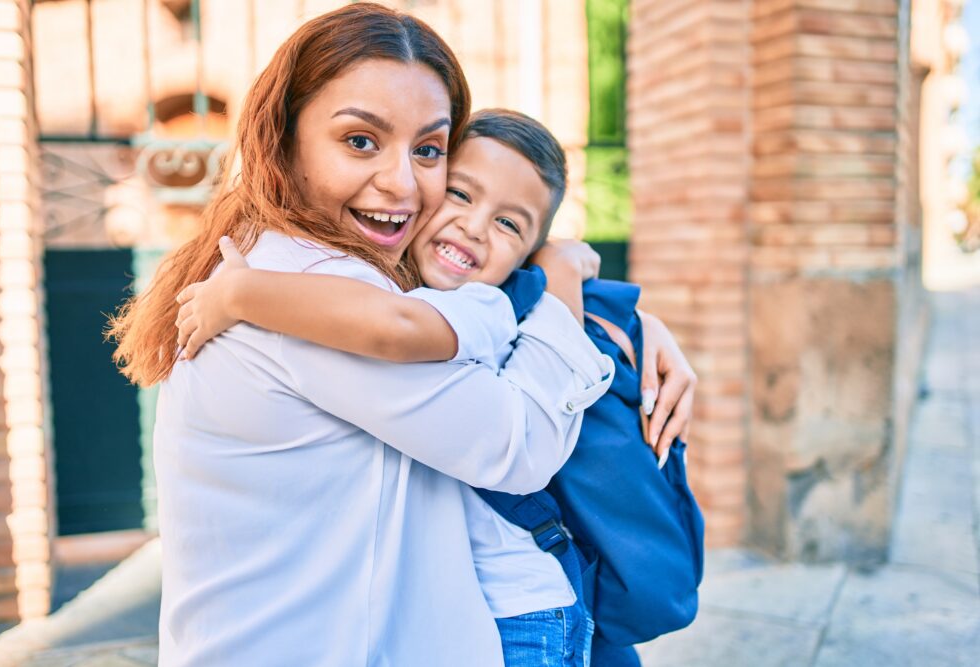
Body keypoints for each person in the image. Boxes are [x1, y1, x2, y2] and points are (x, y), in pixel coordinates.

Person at [109, 6, 618, 666]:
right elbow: (517, 441)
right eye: (360, 141)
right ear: (284, 139)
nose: (403, 183)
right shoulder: (312, 292)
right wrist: (560, 280)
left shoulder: (279, 266)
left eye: (429, 150)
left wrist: (627, 320)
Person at [174, 109, 697, 666]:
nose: (474, 227)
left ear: (527, 258)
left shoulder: (483, 306)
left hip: (520, 613)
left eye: (509, 225)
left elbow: (394, 327)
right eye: (460, 195)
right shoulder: (428, 294)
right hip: (483, 610)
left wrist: (238, 295)